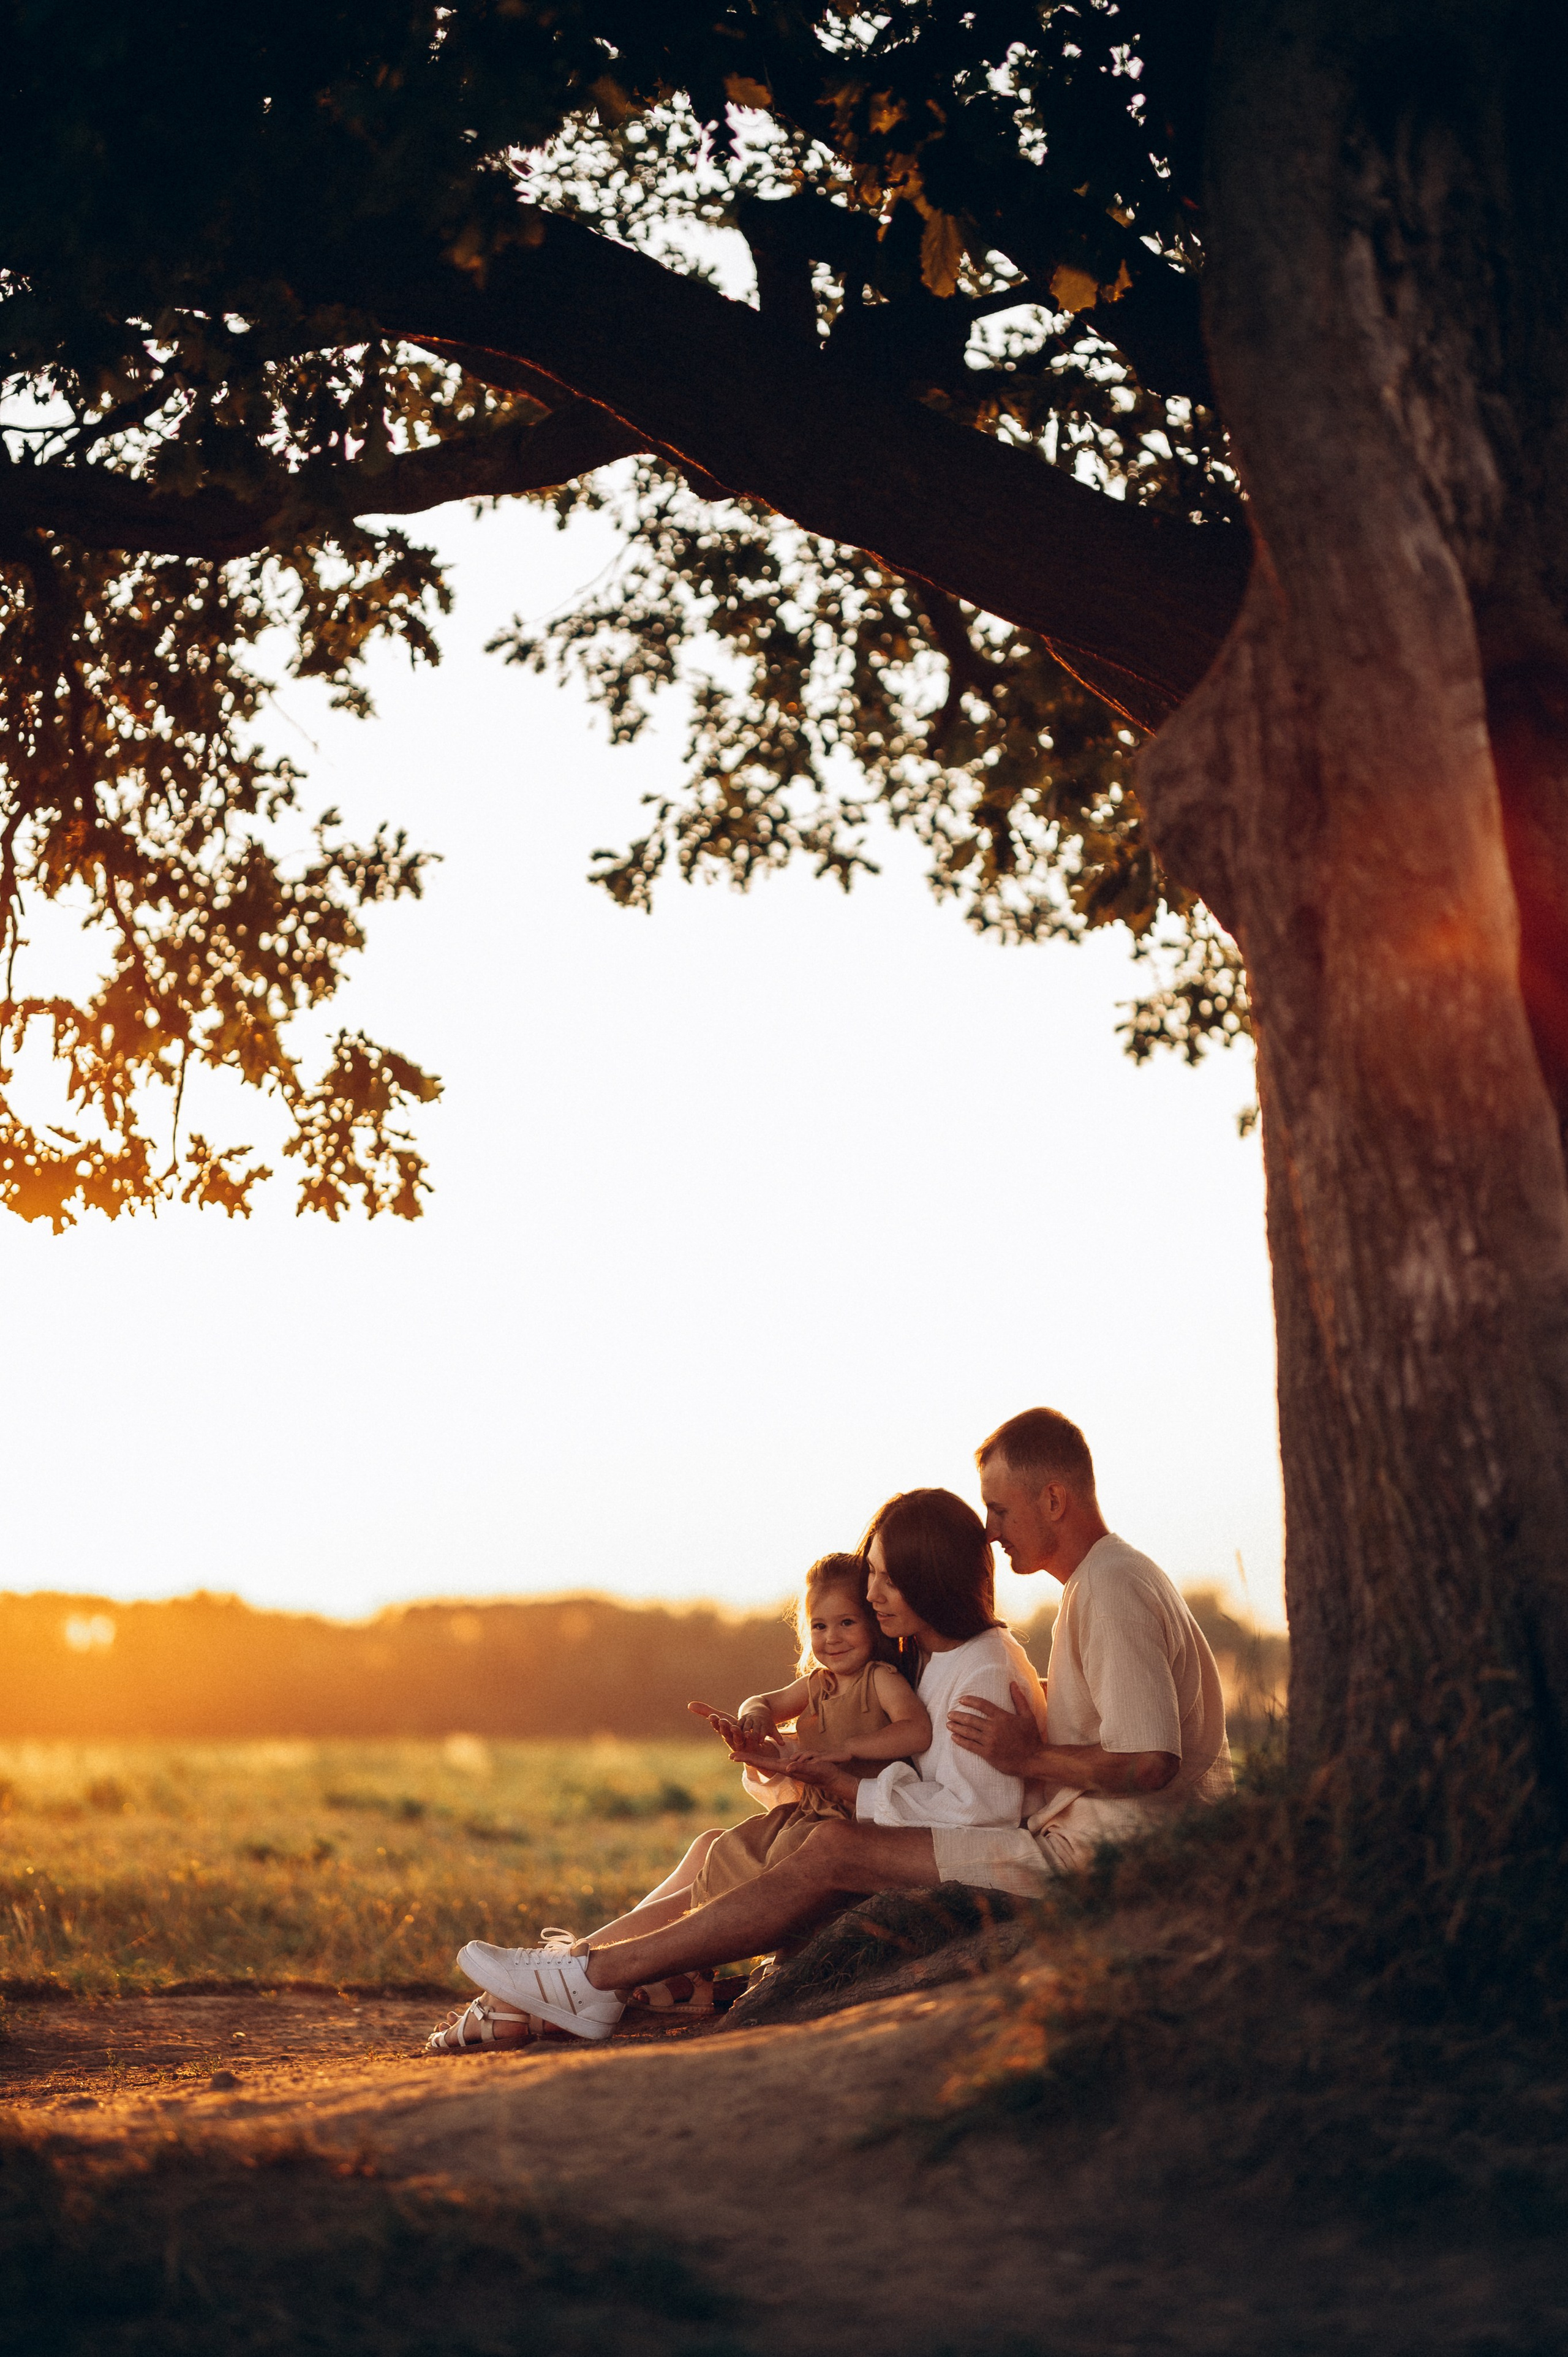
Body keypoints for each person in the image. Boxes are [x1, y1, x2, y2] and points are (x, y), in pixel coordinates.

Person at [445, 1485, 1052, 2042]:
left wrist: (847, 1785)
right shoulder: (926, 1655)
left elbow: (982, 1811)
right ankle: (565, 1972)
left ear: (933, 1575)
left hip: (954, 1860)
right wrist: (780, 1758)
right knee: (715, 1844)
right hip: (891, 1836)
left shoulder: (982, 1667)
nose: (870, 1596)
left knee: (795, 1850)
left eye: (888, 1580)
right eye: (872, 1576)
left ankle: (584, 1975)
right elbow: (877, 1757)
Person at [426, 1548, 930, 2053]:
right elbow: (765, 1702)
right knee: (716, 1857)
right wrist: (752, 1719)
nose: (832, 1637)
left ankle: (571, 1976)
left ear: (875, 1623)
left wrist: (848, 1750)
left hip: (839, 1827)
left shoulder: (879, 1680)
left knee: (714, 1887)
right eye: (819, 1626)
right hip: (803, 1819)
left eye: (846, 1622)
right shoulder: (819, 1683)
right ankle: (573, 1976)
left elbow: (916, 1729)